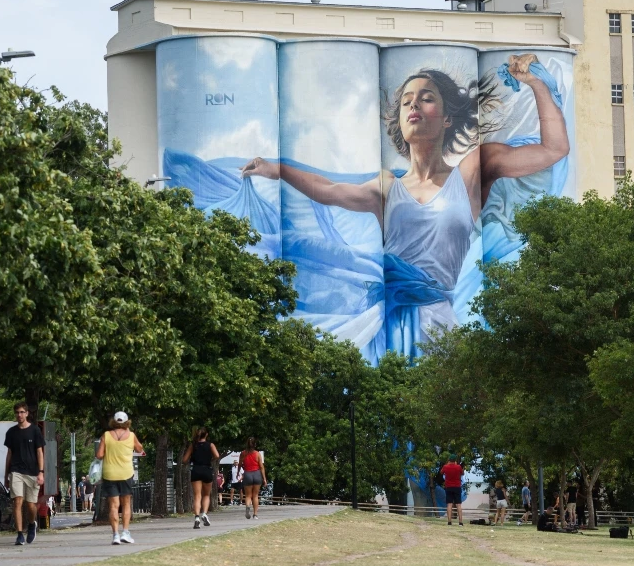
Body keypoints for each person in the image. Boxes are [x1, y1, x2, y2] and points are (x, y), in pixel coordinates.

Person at [241, 54, 569, 357]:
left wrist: (537, 84)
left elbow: (554, 149)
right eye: (407, 102)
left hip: (438, 321)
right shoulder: (387, 188)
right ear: (399, 120)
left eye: (426, 98)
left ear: (446, 119)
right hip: (387, 323)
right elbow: (329, 189)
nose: (414, 105)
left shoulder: (470, 173)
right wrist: (278, 170)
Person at [95, 411, 145, 545]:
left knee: (113, 505)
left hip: (110, 474)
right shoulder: (131, 436)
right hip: (126, 473)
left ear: (114, 421)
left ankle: (115, 535)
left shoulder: (106, 435)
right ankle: (126, 532)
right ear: (127, 422)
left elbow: (99, 455)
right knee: (126, 504)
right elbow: (140, 449)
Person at [4, 402, 45, 546]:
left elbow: (40, 452)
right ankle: (20, 534)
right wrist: (6, 475)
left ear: (27, 413)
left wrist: (41, 472)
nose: (19, 415)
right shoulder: (11, 432)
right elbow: (9, 454)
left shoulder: (35, 431)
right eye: (17, 412)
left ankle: (32, 523)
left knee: (30, 504)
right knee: (17, 501)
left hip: (32, 472)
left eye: (22, 412)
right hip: (16, 470)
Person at [181, 427, 220, 529]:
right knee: (206, 495)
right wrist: (210, 459)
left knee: (197, 495)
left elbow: (184, 460)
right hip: (207, 470)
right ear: (206, 434)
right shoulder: (210, 445)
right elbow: (217, 455)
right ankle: (204, 514)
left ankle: (197, 517)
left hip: (196, 470)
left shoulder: (193, 446)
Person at [239, 438, 267, 520]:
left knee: (248, 495)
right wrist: (264, 479)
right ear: (255, 444)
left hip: (247, 474)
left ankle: (248, 507)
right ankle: (255, 515)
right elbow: (261, 467)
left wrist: (238, 472)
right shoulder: (257, 454)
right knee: (255, 495)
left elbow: (240, 464)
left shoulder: (243, 453)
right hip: (257, 474)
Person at [441, 454, 464, 526]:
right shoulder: (458, 467)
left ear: (449, 460)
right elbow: (462, 473)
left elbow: (441, 472)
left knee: (449, 504)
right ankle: (460, 522)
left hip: (448, 487)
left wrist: (447, 464)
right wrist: (457, 465)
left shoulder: (445, 467)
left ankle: (449, 521)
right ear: (455, 460)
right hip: (457, 487)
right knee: (458, 505)